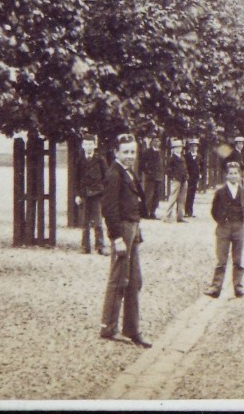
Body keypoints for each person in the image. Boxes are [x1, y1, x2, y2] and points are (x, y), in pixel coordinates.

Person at [99, 134, 151, 348]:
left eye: (133, 152)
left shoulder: (128, 173)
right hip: (122, 229)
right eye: (126, 152)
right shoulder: (114, 174)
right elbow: (109, 209)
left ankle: (132, 328)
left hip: (133, 227)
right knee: (119, 279)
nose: (130, 156)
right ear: (117, 153)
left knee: (135, 281)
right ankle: (108, 327)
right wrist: (116, 237)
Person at [204, 161, 244, 298]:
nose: (234, 176)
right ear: (226, 175)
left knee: (238, 260)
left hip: (238, 227)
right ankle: (216, 287)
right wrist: (222, 222)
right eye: (231, 173)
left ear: (240, 175)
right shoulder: (221, 192)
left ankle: (238, 286)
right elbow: (214, 210)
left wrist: (241, 221)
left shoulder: (243, 192)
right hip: (224, 227)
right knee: (221, 260)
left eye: (236, 173)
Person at [75, 141, 109, 254]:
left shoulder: (100, 160)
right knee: (85, 222)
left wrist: (102, 190)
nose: (88, 147)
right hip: (84, 194)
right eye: (86, 144)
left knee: (98, 221)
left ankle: (100, 246)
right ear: (83, 146)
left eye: (91, 144)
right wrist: (77, 194)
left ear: (95, 146)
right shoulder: (80, 160)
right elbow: (76, 179)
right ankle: (85, 247)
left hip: (97, 194)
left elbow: (106, 177)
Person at [162, 139, 188, 223]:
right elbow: (168, 169)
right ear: (173, 148)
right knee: (172, 198)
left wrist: (186, 175)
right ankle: (167, 217)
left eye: (180, 147)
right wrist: (172, 177)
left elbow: (184, 168)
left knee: (182, 199)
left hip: (183, 179)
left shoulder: (182, 157)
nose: (179, 149)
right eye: (177, 147)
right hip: (176, 180)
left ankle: (180, 216)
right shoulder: (172, 158)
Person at [138, 136, 164, 219]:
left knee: (156, 196)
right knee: (149, 195)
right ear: (152, 142)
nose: (157, 143)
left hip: (158, 177)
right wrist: (147, 171)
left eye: (158, 141)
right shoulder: (148, 152)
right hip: (150, 177)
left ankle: (153, 212)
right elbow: (141, 164)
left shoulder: (160, 152)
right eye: (155, 141)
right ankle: (146, 213)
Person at [183, 138, 201, 218]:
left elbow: (202, 167)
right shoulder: (186, 156)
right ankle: (186, 211)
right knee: (187, 194)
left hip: (195, 178)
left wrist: (201, 174)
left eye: (195, 146)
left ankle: (190, 211)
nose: (194, 148)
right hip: (188, 178)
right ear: (190, 147)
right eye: (192, 146)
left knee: (192, 195)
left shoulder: (199, 156)